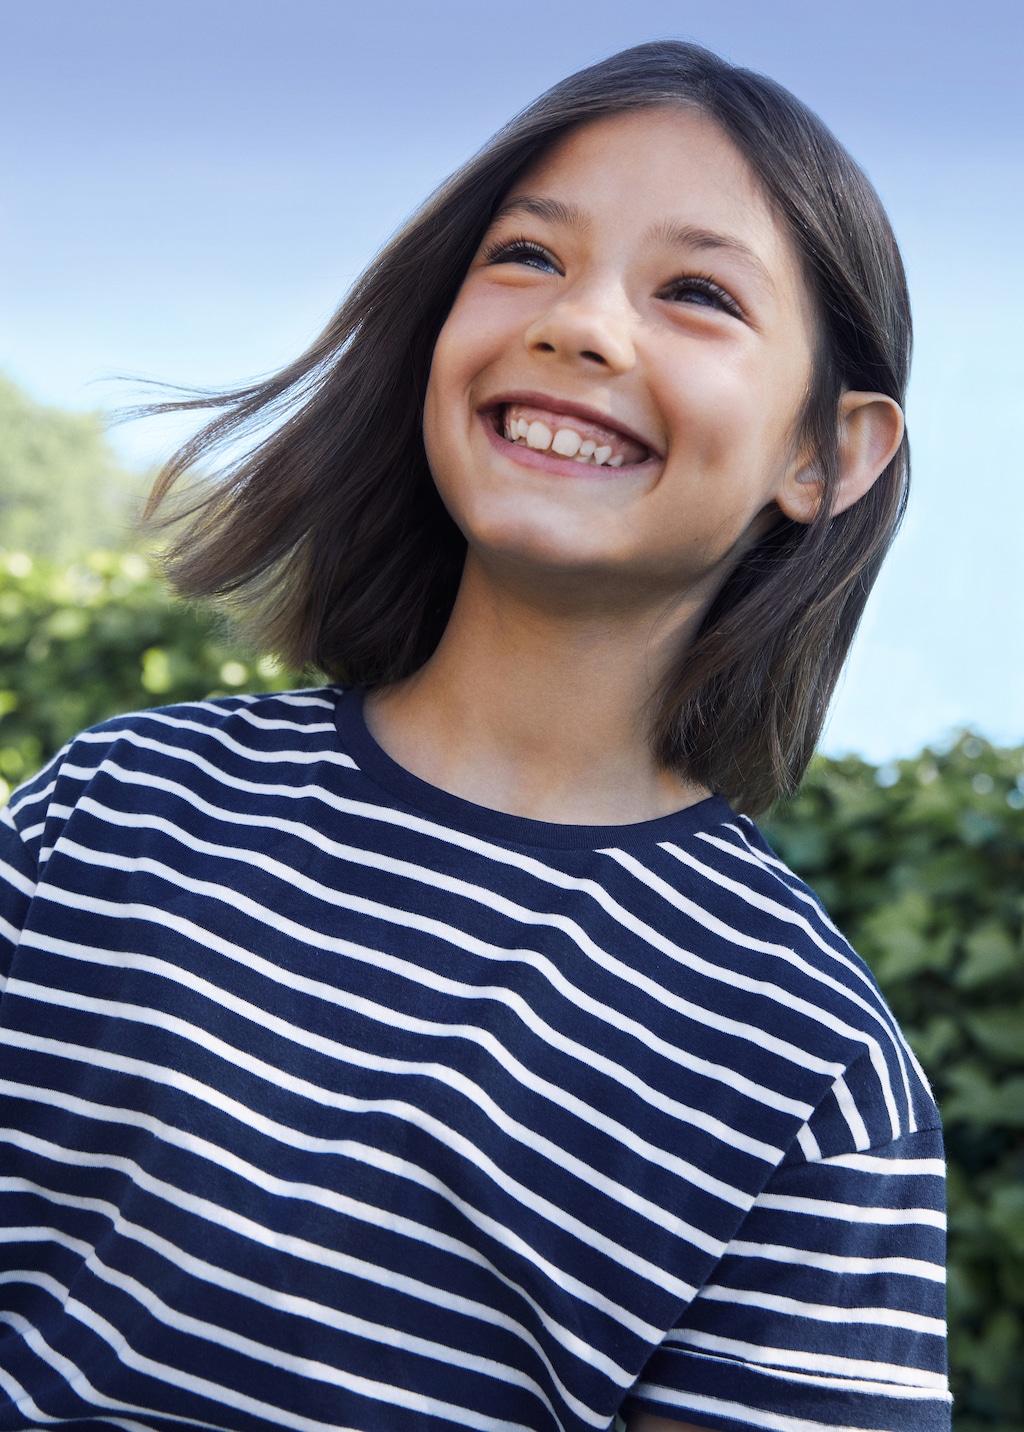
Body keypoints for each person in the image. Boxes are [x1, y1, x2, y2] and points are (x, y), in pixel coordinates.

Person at [0, 39, 950, 1432]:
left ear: (830, 455)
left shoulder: (809, 1070)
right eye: (524, 257)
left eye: (696, 292)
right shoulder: (116, 809)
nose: (582, 324)